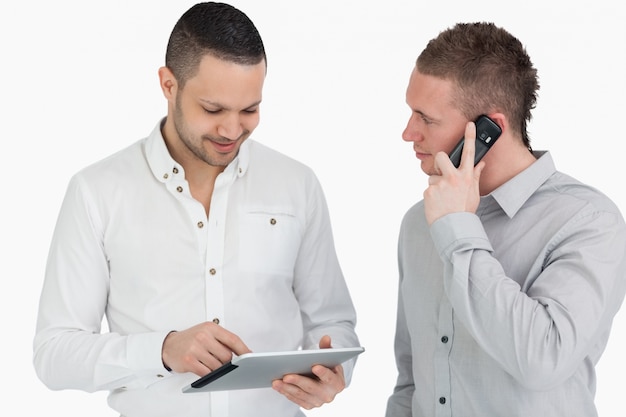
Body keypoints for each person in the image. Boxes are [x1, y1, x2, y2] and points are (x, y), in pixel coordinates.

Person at [33, 3, 360, 416]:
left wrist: (334, 371)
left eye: (250, 110)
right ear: (168, 85)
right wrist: (163, 349)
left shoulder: (297, 184)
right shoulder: (96, 191)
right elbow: (54, 354)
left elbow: (333, 323)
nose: (231, 130)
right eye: (213, 110)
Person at [386, 22, 626, 417]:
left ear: (488, 130)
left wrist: (458, 232)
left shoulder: (588, 221)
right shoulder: (419, 222)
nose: (408, 133)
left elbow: (542, 358)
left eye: (426, 118)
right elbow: (413, 380)